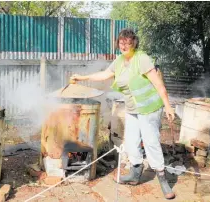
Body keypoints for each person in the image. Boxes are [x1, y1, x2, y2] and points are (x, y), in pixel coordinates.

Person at [70, 28, 176, 199]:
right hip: (133, 109)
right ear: (117, 43)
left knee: (151, 142)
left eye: (128, 42)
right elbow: (105, 74)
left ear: (134, 43)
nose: (124, 45)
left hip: (149, 108)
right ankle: (135, 174)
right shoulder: (119, 61)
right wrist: (82, 78)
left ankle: (163, 178)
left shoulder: (142, 58)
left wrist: (168, 106)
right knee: (131, 142)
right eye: (121, 42)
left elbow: (158, 84)